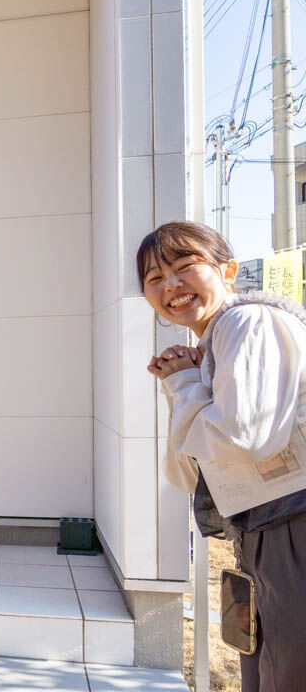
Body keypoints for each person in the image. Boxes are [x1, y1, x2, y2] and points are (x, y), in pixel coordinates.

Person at [139, 220, 306, 691]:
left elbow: (243, 436)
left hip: (293, 526)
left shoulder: (247, 322)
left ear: (227, 271)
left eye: (185, 266)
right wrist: (184, 382)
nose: (171, 285)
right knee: (270, 665)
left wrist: (184, 385)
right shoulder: (209, 347)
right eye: (155, 277)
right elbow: (188, 474)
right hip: (262, 531)